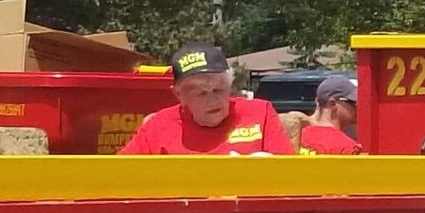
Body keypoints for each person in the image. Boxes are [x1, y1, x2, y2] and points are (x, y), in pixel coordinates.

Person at [119, 43, 297, 155]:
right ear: (179, 95)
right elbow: (120, 173)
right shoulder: (158, 126)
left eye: (219, 89)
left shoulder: (260, 113)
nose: (213, 100)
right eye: (201, 93)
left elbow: (290, 172)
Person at [298, 74, 363, 154]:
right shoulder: (345, 147)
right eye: (353, 102)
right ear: (333, 104)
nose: (357, 107)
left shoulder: (295, 136)